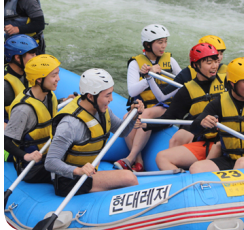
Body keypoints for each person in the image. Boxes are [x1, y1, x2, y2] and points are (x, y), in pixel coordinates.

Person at [45, 69, 143, 197]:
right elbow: (50, 162)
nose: (111, 99)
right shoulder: (70, 124)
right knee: (130, 178)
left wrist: (133, 115)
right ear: (91, 96)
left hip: (89, 173)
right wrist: (78, 170)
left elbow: (122, 131)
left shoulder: (102, 110)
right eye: (107, 95)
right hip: (69, 180)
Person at [151, 43, 227, 171]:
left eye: (216, 61)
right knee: (162, 157)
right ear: (196, 65)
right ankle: (184, 179)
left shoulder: (228, 82)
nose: (214, 66)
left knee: (216, 146)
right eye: (209, 63)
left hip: (226, 142)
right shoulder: (187, 90)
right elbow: (170, 117)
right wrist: (145, 124)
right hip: (205, 141)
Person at [187, 57, 244, 173]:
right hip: (230, 158)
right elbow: (194, 128)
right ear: (232, 83)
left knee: (242, 163)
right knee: (196, 168)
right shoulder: (219, 103)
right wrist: (202, 123)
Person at [120, 24, 182, 171]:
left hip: (165, 109)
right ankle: (139, 161)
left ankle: (130, 158)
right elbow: (132, 91)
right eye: (160, 42)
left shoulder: (171, 61)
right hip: (144, 107)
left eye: (165, 41)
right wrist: (148, 76)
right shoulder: (135, 64)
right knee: (127, 118)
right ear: (148, 44)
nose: (164, 46)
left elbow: (183, 81)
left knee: (146, 115)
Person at [5, 55, 62, 183]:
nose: (58, 79)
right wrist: (26, 156)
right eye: (54, 75)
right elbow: (6, 141)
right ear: (39, 79)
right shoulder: (23, 110)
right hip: (32, 168)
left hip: (50, 156)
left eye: (58, 74)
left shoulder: (49, 96)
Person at [4, 34, 39, 116]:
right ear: (18, 58)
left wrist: (62, 101)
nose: (36, 58)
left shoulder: (28, 75)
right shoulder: (4, 85)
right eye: (32, 55)